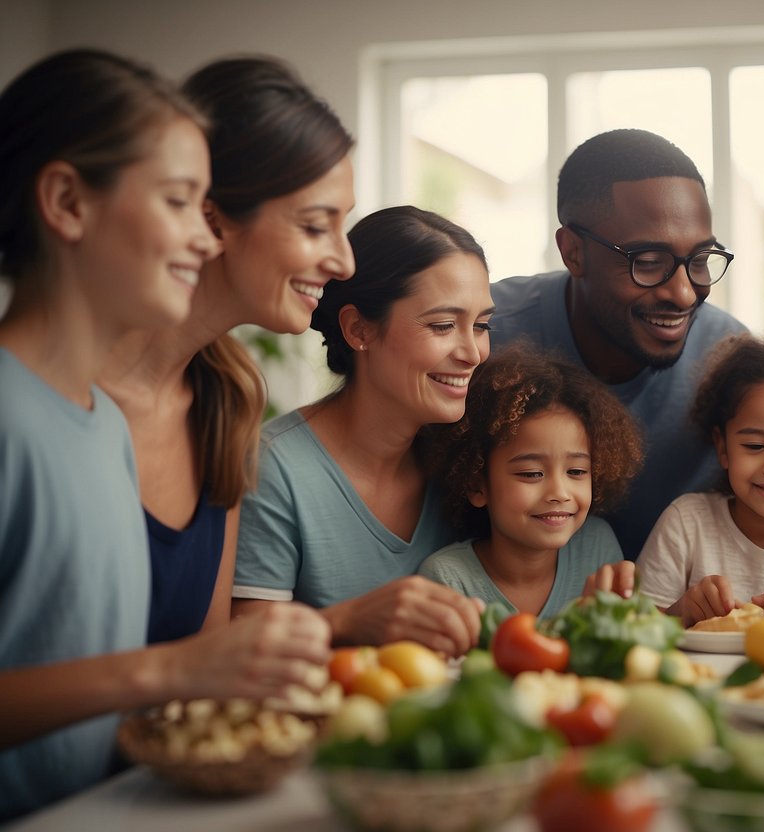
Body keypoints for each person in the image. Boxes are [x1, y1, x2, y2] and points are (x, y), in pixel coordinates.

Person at [0, 49, 331, 821]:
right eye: (179, 202)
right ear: (67, 202)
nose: (205, 238)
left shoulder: (100, 428)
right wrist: (177, 668)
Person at [100, 56, 356, 644]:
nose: (345, 262)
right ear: (211, 218)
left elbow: (206, 670)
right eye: (317, 226)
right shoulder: (61, 399)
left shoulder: (229, 398)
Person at [232, 206, 492, 656]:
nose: (473, 352)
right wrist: (349, 622)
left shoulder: (465, 460)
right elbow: (239, 645)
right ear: (358, 329)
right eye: (443, 326)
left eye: (482, 325)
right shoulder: (275, 467)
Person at [488, 128, 749, 559]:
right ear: (573, 251)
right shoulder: (482, 336)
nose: (684, 294)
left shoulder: (732, 361)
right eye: (648, 262)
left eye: (700, 260)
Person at [636, 323, 764, 627]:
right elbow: (637, 625)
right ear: (722, 447)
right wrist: (679, 614)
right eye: (755, 445)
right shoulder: (686, 522)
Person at [418, 343, 644, 618]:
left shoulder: (597, 545)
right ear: (476, 485)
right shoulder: (447, 579)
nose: (559, 493)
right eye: (531, 474)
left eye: (576, 472)